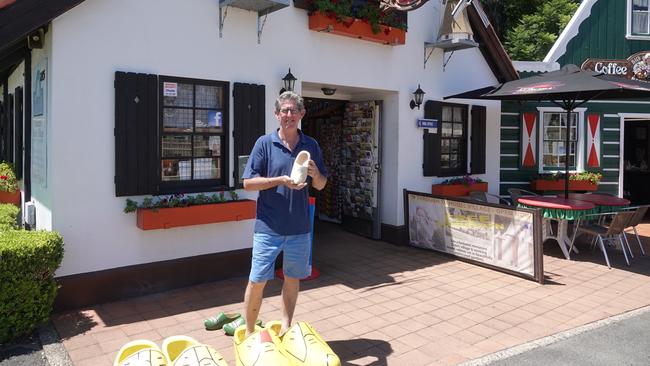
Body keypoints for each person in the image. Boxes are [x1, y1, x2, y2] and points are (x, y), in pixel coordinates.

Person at [241, 91, 328, 337]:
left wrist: (315, 175)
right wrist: (279, 180)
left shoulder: (311, 145)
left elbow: (321, 185)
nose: (288, 115)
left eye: (293, 111)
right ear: (277, 114)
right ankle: (248, 333)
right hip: (268, 227)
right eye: (284, 111)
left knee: (292, 279)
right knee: (257, 280)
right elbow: (248, 183)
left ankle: (286, 326)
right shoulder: (264, 144)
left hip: (299, 227)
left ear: (301, 114)